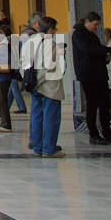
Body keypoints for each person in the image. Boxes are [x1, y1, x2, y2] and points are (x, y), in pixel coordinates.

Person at [71, 12, 111, 145]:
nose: (96, 28)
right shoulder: (78, 34)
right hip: (88, 74)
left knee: (105, 104)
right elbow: (87, 50)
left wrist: (105, 56)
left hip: (99, 73)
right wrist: (107, 50)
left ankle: (107, 132)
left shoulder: (91, 35)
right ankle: (93, 134)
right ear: (87, 21)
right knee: (92, 105)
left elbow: (95, 52)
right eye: (95, 25)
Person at [21, 16, 65, 157]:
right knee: (51, 117)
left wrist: (29, 82)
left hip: (34, 86)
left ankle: (38, 147)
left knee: (36, 116)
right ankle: (49, 148)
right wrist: (38, 81)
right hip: (49, 87)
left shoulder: (29, 42)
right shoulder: (49, 43)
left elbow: (23, 64)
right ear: (50, 29)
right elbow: (48, 67)